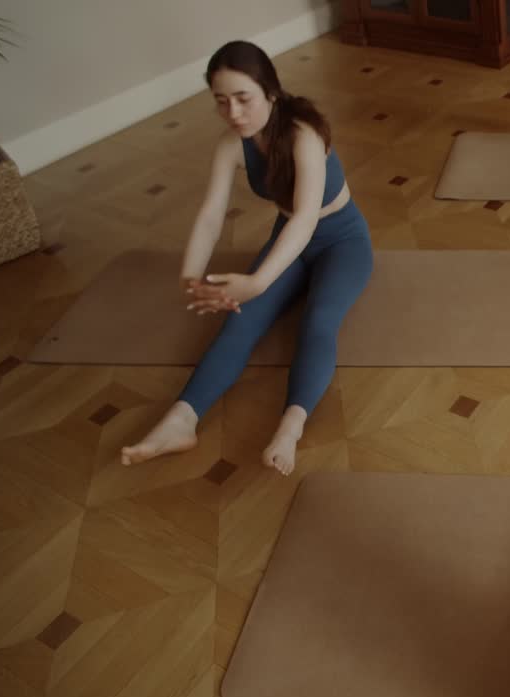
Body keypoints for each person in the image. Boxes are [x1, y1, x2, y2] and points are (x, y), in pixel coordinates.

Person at [121, 40, 373, 476]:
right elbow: (210, 216)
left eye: (243, 99)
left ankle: (289, 428)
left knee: (318, 321)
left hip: (341, 242)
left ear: (270, 92)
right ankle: (180, 420)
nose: (234, 113)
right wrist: (190, 276)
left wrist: (257, 281)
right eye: (222, 102)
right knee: (241, 319)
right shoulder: (230, 144)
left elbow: (306, 218)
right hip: (287, 241)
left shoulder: (303, 133)